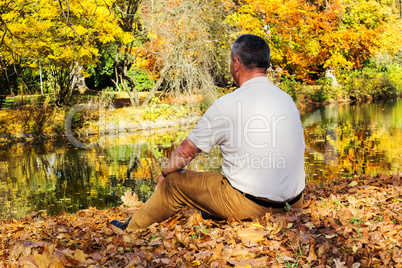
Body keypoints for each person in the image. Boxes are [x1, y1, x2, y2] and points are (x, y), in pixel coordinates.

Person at [110, 34, 305, 232]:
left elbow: (186, 152)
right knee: (228, 175)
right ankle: (212, 210)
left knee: (174, 182)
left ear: (236, 63)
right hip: (293, 203)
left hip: (254, 207)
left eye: (231, 61)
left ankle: (131, 228)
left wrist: (165, 175)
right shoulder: (286, 100)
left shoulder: (227, 104)